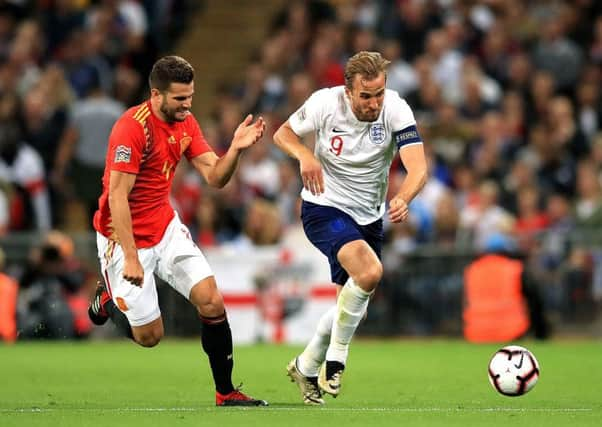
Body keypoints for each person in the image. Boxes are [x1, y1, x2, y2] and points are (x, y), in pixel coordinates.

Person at [88, 56, 268, 407]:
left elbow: (215, 177)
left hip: (165, 227)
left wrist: (235, 150)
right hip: (122, 237)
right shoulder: (132, 128)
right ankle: (108, 301)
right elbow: (117, 197)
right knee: (150, 336)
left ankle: (225, 391)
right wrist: (129, 257)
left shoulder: (186, 123)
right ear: (156, 95)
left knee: (211, 299)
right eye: (180, 99)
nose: (188, 105)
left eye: (191, 97)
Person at [273, 51, 427, 405]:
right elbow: (283, 134)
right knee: (371, 271)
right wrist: (306, 156)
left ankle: (305, 364)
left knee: (353, 304)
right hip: (323, 206)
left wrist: (404, 196)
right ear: (348, 90)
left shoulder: (396, 109)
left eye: (379, 94)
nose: (374, 103)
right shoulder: (325, 104)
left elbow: (417, 168)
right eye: (366, 96)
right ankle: (336, 360)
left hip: (369, 217)